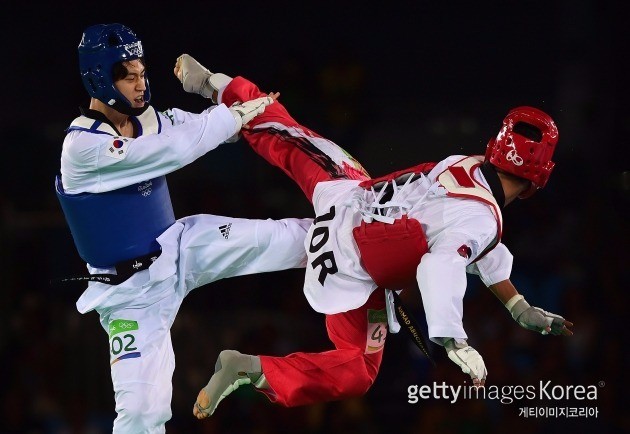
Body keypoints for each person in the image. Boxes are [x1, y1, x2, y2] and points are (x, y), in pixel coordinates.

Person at [172, 55, 574, 419]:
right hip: (349, 266)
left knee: (288, 135)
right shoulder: (482, 219)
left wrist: (518, 305)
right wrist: (454, 341)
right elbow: (444, 262)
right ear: (540, 179)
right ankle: (254, 369)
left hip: (348, 194)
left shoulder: (467, 164)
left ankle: (216, 85)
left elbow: (468, 242)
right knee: (358, 370)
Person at [55, 24, 313, 433]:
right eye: (130, 76)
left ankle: (357, 233)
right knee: (141, 415)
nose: (142, 85)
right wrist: (229, 119)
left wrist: (219, 89)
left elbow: (213, 129)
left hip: (180, 246)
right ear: (101, 78)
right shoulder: (83, 147)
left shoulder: (152, 120)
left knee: (284, 239)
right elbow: (175, 150)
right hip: (130, 297)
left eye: (143, 74)